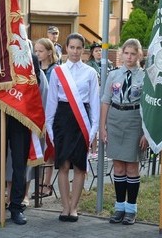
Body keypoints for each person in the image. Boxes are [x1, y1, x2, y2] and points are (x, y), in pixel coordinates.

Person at [46, 33, 100, 222]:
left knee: (79, 165)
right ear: (66, 48)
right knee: (63, 165)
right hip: (62, 120)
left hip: (81, 121)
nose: (75, 51)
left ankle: (74, 207)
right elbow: (52, 101)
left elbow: (94, 102)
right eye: (72, 47)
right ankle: (65, 206)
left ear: (83, 50)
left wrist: (93, 130)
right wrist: (49, 126)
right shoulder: (57, 72)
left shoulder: (91, 73)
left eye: (79, 48)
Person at [0, 52, 44, 226]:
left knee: (19, 164)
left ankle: (16, 207)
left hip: (20, 116)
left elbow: (36, 85)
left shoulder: (29, 56)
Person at [100, 38, 147, 225]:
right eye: (126, 53)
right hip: (115, 120)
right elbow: (105, 100)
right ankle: (119, 207)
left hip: (134, 120)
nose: (129, 57)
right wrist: (102, 127)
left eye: (133, 53)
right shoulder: (113, 75)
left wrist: (146, 132)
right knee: (118, 166)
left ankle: (131, 208)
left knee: (132, 166)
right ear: (121, 54)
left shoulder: (145, 76)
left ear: (139, 55)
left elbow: (148, 106)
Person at [33, 37, 58, 198]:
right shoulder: (34, 70)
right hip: (37, 114)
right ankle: (38, 183)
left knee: (48, 151)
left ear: (49, 52)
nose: (37, 54)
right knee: (39, 151)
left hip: (51, 114)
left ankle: (46, 185)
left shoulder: (56, 70)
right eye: (35, 51)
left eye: (40, 51)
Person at [86, 42, 114, 158]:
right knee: (95, 122)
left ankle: (107, 149)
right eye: (96, 50)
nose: (99, 52)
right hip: (95, 94)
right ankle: (93, 150)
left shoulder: (108, 64)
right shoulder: (90, 65)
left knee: (107, 122)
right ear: (92, 53)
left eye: (100, 50)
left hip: (107, 94)